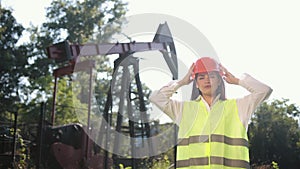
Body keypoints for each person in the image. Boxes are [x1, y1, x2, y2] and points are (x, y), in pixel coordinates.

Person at [149, 57, 272, 169]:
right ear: (196, 83)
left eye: (212, 76)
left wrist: (238, 81)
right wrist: (181, 82)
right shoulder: (184, 109)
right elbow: (156, 98)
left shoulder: (238, 107)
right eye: (201, 77)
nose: (207, 80)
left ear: (219, 81)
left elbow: (264, 91)